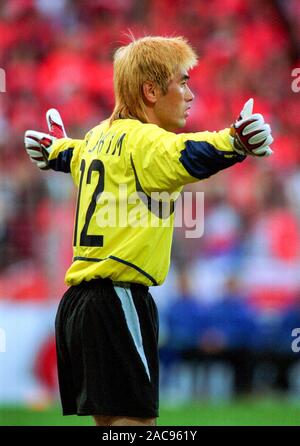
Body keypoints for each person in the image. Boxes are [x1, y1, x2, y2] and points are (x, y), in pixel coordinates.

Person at [24, 35, 273, 426]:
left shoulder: (97, 137)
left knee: (111, 426)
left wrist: (56, 151)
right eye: (184, 82)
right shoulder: (147, 141)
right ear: (152, 91)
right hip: (119, 298)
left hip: (79, 304)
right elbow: (190, 153)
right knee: (138, 427)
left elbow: (72, 154)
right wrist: (236, 141)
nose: (191, 94)